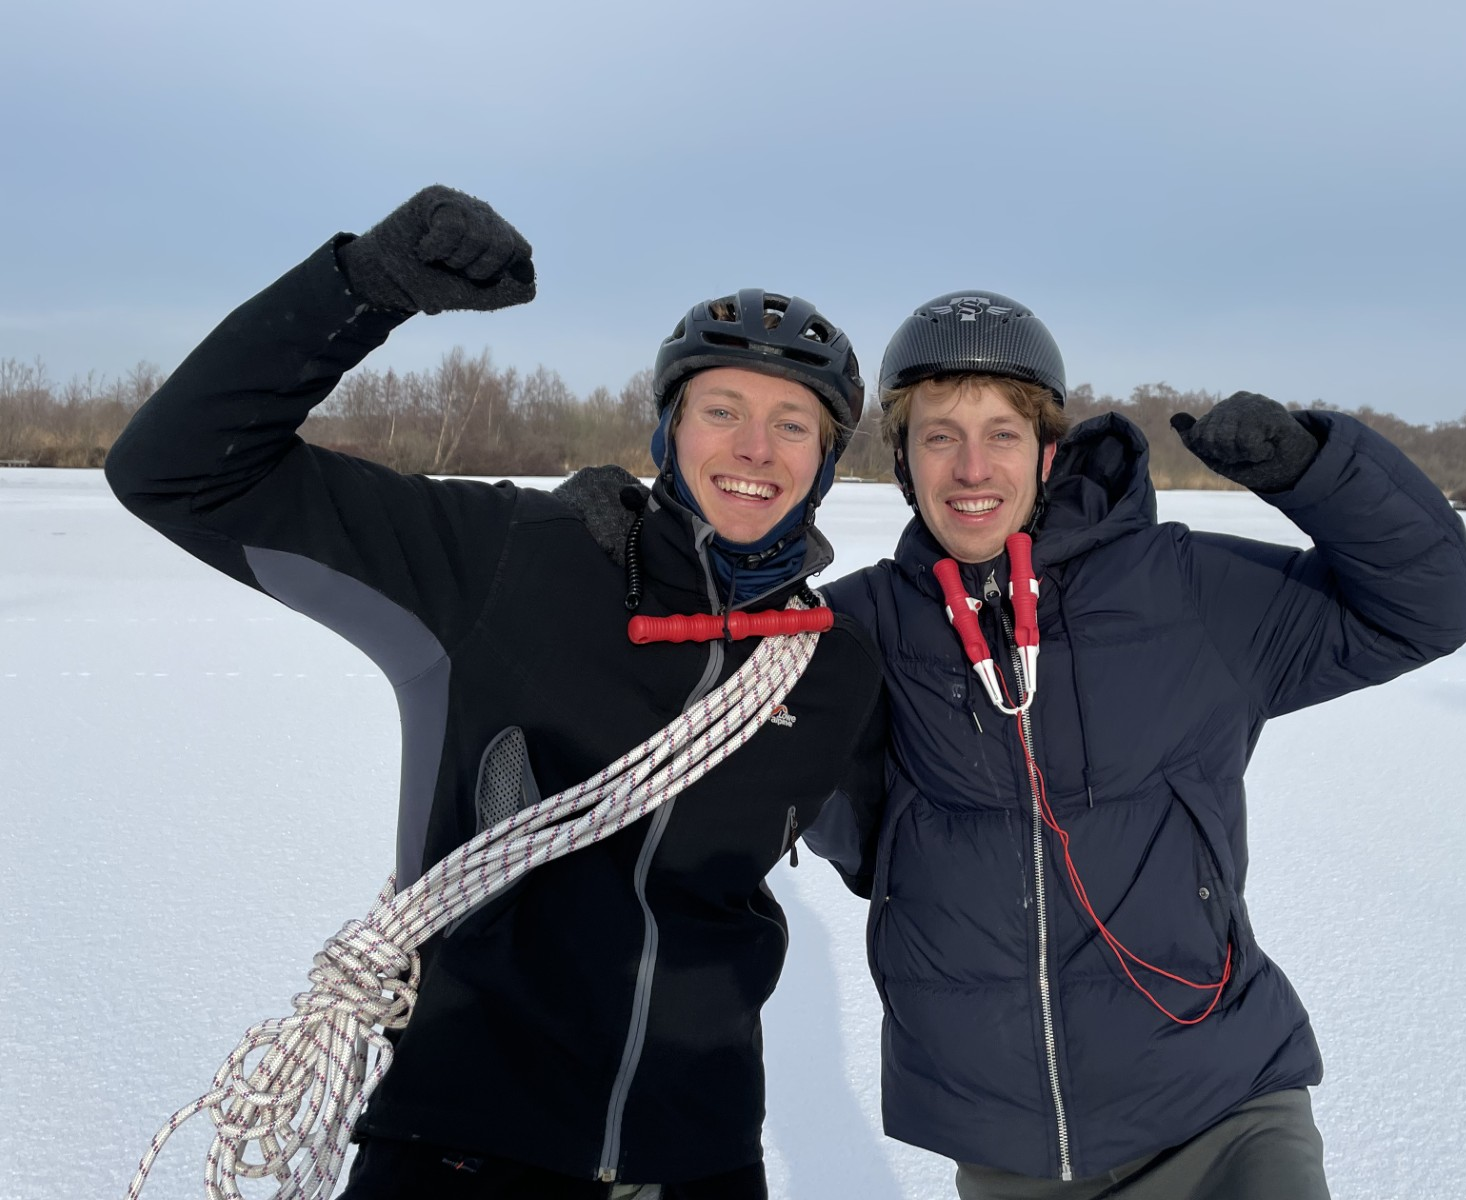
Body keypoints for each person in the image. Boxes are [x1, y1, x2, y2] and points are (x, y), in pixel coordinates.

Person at [105, 186, 888, 1200]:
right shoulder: (504, 562)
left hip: (701, 1161)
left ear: (824, 464)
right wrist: (362, 287)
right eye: (722, 410)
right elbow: (175, 473)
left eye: (793, 425)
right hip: (463, 1150)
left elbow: (920, 840)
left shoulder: (833, 668)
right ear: (667, 431)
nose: (753, 449)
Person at [813, 291, 1466, 1198]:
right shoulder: (861, 627)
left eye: (1002, 433)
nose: (972, 466)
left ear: (1048, 452)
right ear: (902, 460)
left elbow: (1424, 607)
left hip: (1222, 1114)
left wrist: (1314, 471)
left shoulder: (1182, 590)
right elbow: (696, 698)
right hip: (1015, 1158)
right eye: (939, 436)